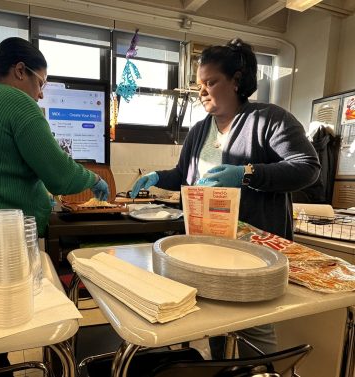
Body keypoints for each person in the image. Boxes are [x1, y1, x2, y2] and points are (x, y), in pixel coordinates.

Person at [131, 38, 320, 357]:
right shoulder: (199, 130)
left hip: (254, 250)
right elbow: (183, 175)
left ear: (235, 81)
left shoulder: (269, 119)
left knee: (254, 327)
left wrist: (247, 173)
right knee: (217, 322)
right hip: (206, 246)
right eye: (199, 84)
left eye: (211, 82)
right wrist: (157, 178)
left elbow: (307, 167)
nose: (202, 90)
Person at [0, 37, 109, 376]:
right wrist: (92, 180)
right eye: (41, 82)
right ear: (21, 71)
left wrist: (40, 198)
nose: (41, 93)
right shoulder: (17, 102)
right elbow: (59, 173)